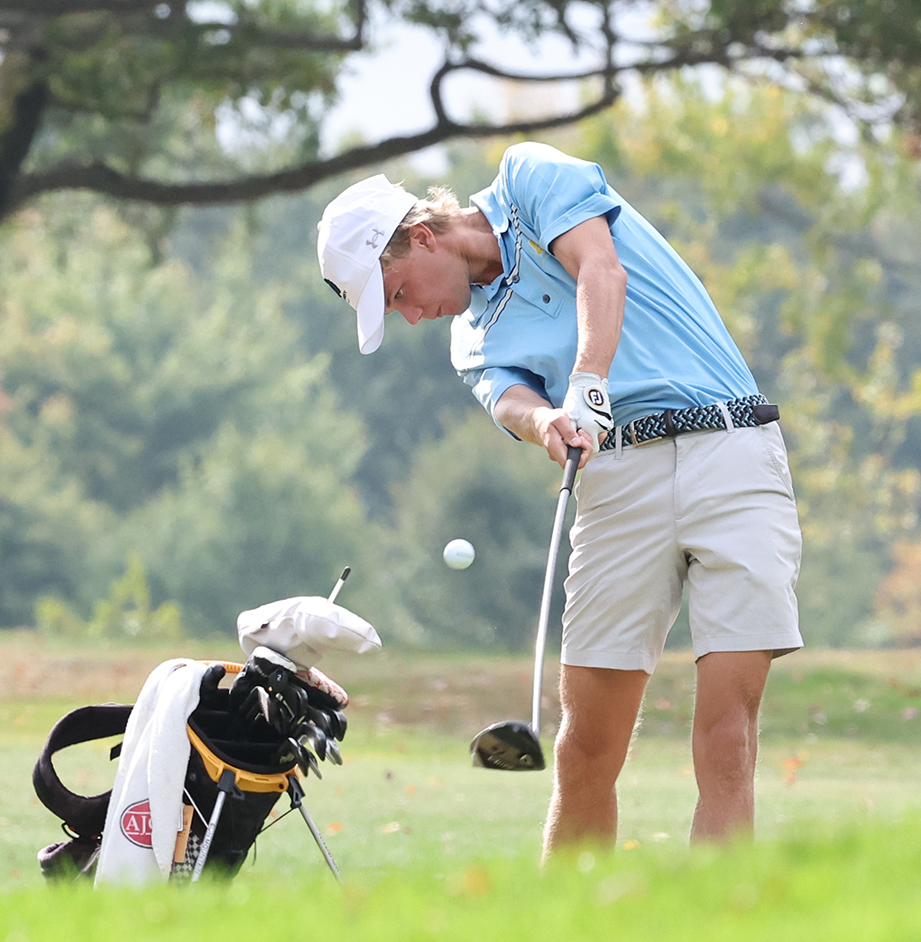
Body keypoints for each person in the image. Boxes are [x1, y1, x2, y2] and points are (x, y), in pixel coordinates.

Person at [315, 142, 802, 856]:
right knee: (583, 751)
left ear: (421, 237)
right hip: (617, 483)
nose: (411, 316)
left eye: (397, 294)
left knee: (726, 736)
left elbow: (600, 267)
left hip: (730, 450)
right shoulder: (471, 336)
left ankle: (715, 939)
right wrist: (548, 419)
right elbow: (512, 400)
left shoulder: (529, 179)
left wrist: (589, 377)